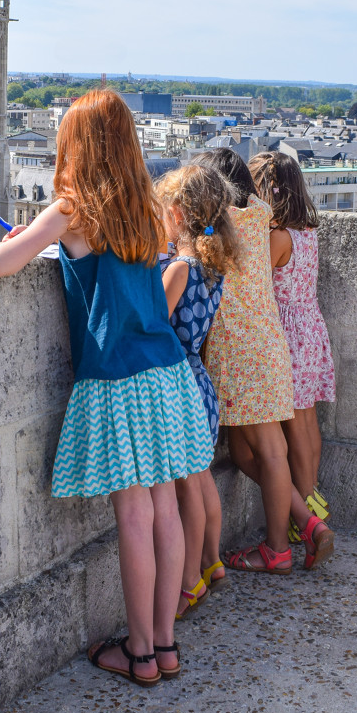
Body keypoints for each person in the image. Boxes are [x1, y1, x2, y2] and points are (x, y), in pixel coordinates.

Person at [0, 90, 213, 685]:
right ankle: (163, 645)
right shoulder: (147, 208)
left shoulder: (72, 209)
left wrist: (4, 241)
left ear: (76, 148)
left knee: (133, 516)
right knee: (165, 512)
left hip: (117, 376)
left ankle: (137, 654)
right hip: (167, 371)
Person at [199, 149, 333, 573]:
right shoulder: (260, 217)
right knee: (249, 449)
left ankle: (278, 548)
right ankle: (307, 522)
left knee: (266, 453)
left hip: (240, 351)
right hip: (274, 343)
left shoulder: (228, 225)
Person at [154, 164, 241, 617]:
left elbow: (152, 324)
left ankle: (188, 583)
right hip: (199, 383)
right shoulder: (213, 264)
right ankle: (211, 565)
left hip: (176, 387)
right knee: (200, 481)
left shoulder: (180, 270)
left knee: (185, 491)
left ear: (178, 214)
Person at [248, 151, 336, 546]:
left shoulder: (278, 237)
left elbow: (254, 280)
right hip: (310, 329)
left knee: (295, 428)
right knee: (307, 421)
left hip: (286, 332)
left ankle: (305, 511)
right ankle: (313, 497)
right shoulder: (307, 233)